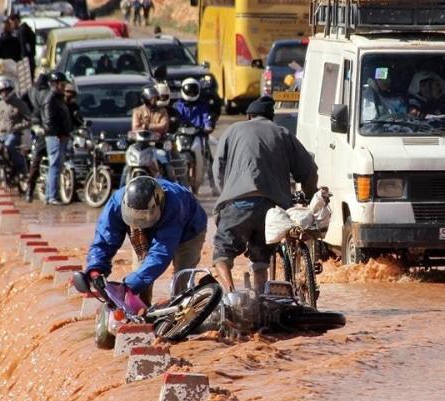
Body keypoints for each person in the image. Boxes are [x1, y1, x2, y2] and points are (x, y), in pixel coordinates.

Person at [212, 96, 318, 295]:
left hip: (238, 204)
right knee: (261, 258)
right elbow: (309, 170)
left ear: (249, 116)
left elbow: (218, 169)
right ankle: (261, 298)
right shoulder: (283, 134)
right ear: (271, 117)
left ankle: (231, 295)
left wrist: (226, 194)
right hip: (273, 208)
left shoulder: (232, 130)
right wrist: (311, 195)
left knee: (222, 253)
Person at [83, 176, 207, 307]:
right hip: (147, 229)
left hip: (190, 230)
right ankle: (143, 311)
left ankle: (183, 313)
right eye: (137, 218)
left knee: (182, 278)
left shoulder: (173, 204)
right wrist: (95, 269)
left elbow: (161, 253)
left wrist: (128, 286)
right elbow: (105, 239)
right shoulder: (116, 203)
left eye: (143, 218)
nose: (141, 223)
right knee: (140, 275)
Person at [41, 72, 73, 205]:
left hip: (60, 135)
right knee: (54, 165)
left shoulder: (58, 98)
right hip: (55, 136)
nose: (64, 87)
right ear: (54, 84)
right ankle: (52, 196)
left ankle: (51, 195)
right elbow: (49, 121)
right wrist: (59, 133)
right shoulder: (50, 99)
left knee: (56, 166)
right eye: (62, 84)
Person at [0, 79, 32, 176]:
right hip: (1, 134)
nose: (4, 93)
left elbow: (29, 120)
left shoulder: (20, 104)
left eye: (6, 91)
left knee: (9, 145)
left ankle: (21, 168)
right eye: (1, 91)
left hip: (14, 134)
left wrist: (17, 127)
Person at [24, 73, 51, 202]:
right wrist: (37, 126)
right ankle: (30, 189)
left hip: (60, 135)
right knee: (36, 159)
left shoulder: (60, 99)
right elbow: (35, 114)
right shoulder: (43, 99)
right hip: (44, 135)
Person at [10, 14, 37, 78]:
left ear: (16, 21)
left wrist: (23, 63)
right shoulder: (26, 28)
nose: (11, 26)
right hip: (30, 61)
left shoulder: (22, 31)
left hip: (26, 63)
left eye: (11, 23)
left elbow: (24, 48)